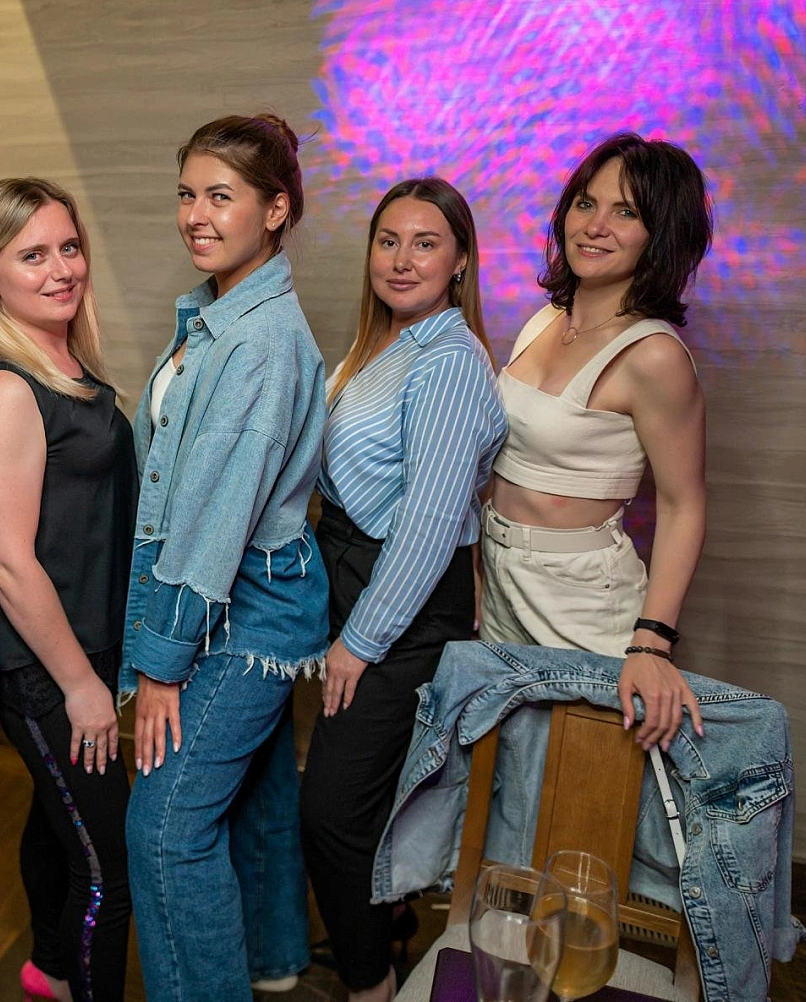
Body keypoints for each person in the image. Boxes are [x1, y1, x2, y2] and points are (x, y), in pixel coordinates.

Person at [122, 114, 327, 1002]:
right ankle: (274, 961)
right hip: (233, 598)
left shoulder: (257, 339)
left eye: (219, 196)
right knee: (256, 795)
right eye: (186, 194)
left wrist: (160, 665)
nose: (195, 216)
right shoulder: (216, 314)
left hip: (239, 609)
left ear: (274, 210)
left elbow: (212, 520)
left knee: (165, 830)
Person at [300, 178, 506, 1002]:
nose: (401, 258)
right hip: (358, 573)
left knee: (330, 812)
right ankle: (382, 926)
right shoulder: (381, 345)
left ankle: (371, 984)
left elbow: (427, 522)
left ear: (459, 262)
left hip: (401, 599)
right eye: (387, 240)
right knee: (361, 795)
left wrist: (360, 640)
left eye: (425, 243)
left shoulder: (448, 361)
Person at [0, 178, 136, 1002]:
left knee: (57, 825)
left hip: (83, 647)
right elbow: (5, 560)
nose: (61, 269)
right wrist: (78, 685)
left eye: (68, 247)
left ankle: (50, 971)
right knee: (110, 870)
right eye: (32, 255)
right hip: (43, 665)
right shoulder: (6, 387)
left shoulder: (62, 362)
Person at [483, 131, 714, 749]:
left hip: (581, 595)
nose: (595, 226)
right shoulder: (543, 320)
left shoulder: (655, 356)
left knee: (579, 778)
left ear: (660, 234)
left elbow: (684, 504)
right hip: (500, 579)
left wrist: (652, 642)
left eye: (626, 212)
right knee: (505, 774)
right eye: (586, 203)